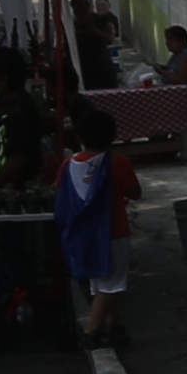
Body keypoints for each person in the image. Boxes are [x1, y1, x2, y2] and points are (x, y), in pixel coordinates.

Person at [51, 97, 123, 342]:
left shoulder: (67, 165)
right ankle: (92, 331)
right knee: (113, 284)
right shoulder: (118, 162)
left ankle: (113, 326)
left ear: (79, 137)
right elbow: (135, 192)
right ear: (113, 136)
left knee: (100, 283)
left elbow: (59, 190)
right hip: (115, 230)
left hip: (84, 233)